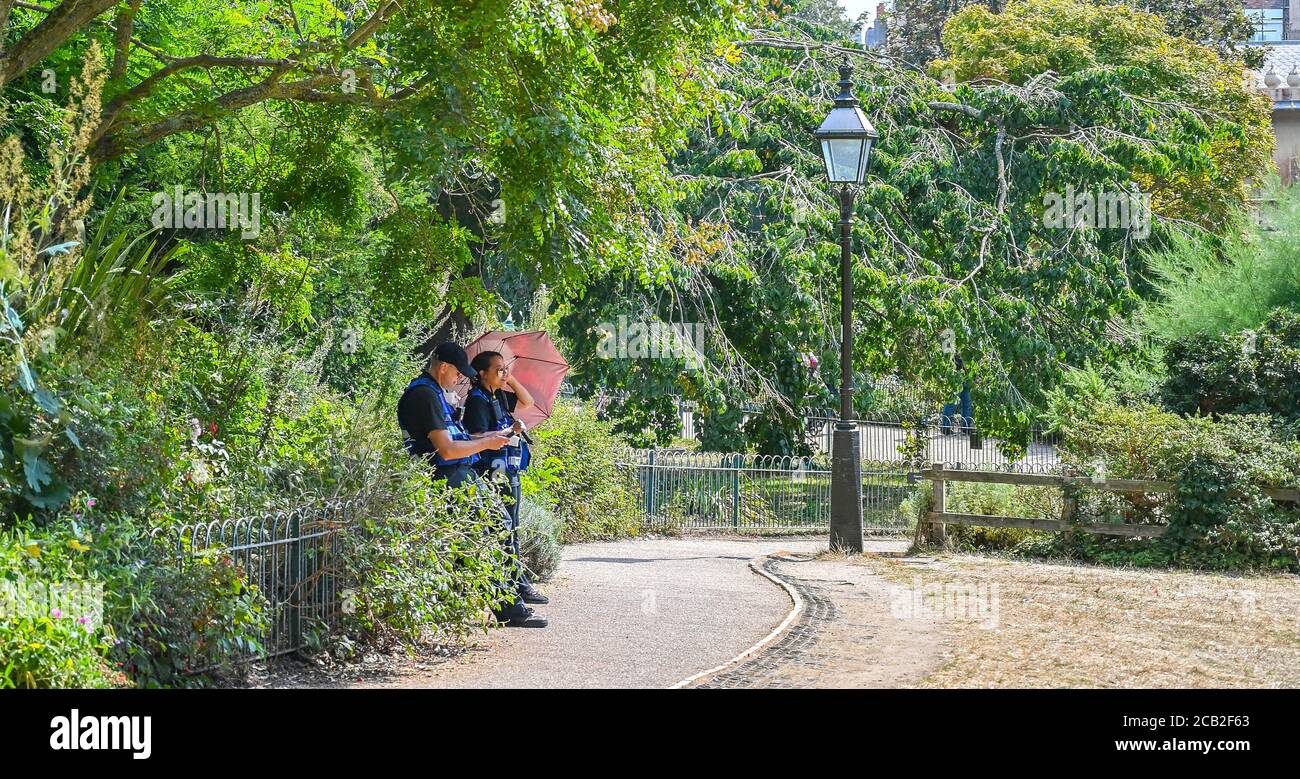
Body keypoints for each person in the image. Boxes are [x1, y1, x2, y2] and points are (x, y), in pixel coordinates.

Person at [397, 342, 547, 628]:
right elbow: (447, 450)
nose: (460, 380)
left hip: (460, 474)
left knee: (495, 526)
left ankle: (487, 601)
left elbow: (459, 438)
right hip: (450, 476)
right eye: (457, 374)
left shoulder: (434, 393)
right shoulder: (424, 396)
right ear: (443, 368)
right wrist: (488, 442)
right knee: (492, 529)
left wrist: (494, 435)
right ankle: (507, 607)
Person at [462, 351, 549, 607]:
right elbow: (476, 435)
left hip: (509, 469)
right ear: (482, 373)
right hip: (493, 471)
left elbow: (528, 401)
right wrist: (510, 430)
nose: (503, 372)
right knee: (505, 529)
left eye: (504, 368)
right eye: (498, 369)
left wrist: (509, 380)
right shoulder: (477, 400)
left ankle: (517, 581)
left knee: (514, 527)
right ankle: (514, 584)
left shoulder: (496, 395)